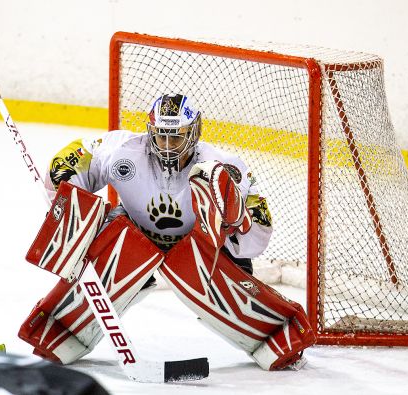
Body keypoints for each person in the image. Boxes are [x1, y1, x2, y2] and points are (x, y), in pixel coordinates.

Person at [18, 94, 316, 371]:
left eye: (177, 136)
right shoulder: (123, 150)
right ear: (151, 131)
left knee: (198, 259)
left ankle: (275, 332)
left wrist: (238, 221)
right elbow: (76, 158)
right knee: (118, 241)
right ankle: (61, 330)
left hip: (199, 243)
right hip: (136, 235)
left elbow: (257, 237)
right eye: (162, 135)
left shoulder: (222, 167)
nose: (168, 144)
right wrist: (64, 196)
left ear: (194, 133)